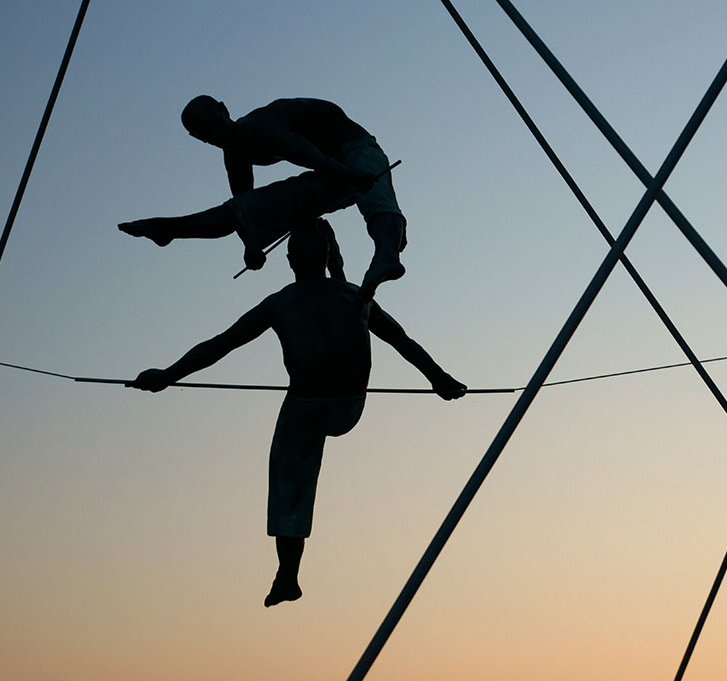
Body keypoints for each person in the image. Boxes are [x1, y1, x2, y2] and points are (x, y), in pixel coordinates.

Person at [126, 221, 466, 607]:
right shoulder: (351, 295)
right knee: (294, 460)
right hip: (344, 406)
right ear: (325, 258)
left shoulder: (295, 301)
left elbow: (220, 345)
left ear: (289, 261)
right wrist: (438, 378)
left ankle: (288, 573)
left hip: (315, 406)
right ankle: (288, 576)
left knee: (289, 478)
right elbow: (402, 341)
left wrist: (168, 375)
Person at [179, 96, 407, 298]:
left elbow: (306, 155)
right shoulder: (234, 153)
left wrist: (350, 175)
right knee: (298, 202)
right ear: (198, 138)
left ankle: (387, 253)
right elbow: (246, 206)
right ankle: (389, 236)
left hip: (351, 145)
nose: (219, 134)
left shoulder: (257, 126)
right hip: (331, 169)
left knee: (370, 182)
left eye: (217, 124)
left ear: (224, 109)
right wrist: (251, 246)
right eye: (209, 135)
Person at [119, 171, 356, 278]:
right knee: (223, 219)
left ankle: (166, 230)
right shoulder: (325, 189)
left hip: (263, 209)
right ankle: (164, 229)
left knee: (220, 220)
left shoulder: (320, 203)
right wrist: (252, 246)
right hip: (264, 207)